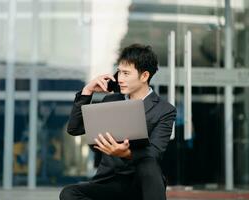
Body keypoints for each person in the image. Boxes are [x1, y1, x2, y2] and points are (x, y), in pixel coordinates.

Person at [60, 44, 176, 200]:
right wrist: (87, 91)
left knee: (149, 165)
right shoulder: (111, 100)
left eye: (126, 73)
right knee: (69, 194)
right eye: (119, 72)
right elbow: (75, 129)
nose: (120, 78)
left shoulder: (164, 110)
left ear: (144, 76)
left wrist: (126, 153)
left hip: (141, 182)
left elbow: (154, 153)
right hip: (109, 181)